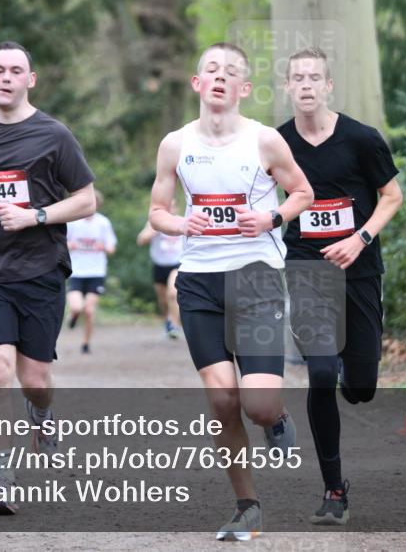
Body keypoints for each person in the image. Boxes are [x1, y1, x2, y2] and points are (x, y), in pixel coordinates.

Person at [148, 42, 314, 541]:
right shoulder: (175, 144)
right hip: (199, 282)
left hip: (256, 276)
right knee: (222, 399)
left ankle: (276, 418)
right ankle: (247, 507)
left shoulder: (265, 141)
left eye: (231, 72)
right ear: (198, 83)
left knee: (257, 404)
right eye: (212, 70)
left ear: (244, 88)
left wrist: (271, 217)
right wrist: (181, 223)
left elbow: (303, 193)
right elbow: (157, 211)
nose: (220, 77)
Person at [0, 41, 96, 515]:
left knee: (35, 379)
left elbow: (87, 199)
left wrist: (36, 216)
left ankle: (42, 412)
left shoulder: (54, 135)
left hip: (40, 269)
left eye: (16, 70)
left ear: (30, 80)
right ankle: (2, 477)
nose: (7, 77)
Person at [279, 47, 403, 526]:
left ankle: (356, 370)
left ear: (329, 85)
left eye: (314, 77)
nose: (306, 85)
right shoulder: (276, 144)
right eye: (298, 78)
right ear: (288, 87)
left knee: (362, 387)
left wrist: (360, 238)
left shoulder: (361, 139)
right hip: (307, 268)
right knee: (320, 372)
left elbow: (392, 196)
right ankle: (334, 489)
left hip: (360, 269)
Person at [66, 190, 117, 353]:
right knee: (76, 307)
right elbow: (61, 244)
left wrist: (104, 247)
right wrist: (70, 245)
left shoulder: (103, 223)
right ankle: (73, 316)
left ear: (97, 205)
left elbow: (111, 248)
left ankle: (86, 343)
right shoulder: (73, 222)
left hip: (96, 272)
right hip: (76, 272)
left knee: (89, 310)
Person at [136, 198, 184, 339]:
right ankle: (168, 319)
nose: (170, 209)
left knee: (173, 293)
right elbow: (141, 240)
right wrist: (154, 230)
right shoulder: (155, 223)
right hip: (159, 265)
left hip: (177, 264)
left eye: (172, 207)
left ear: (176, 209)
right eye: (167, 207)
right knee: (163, 300)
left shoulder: (181, 221)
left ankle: (174, 325)